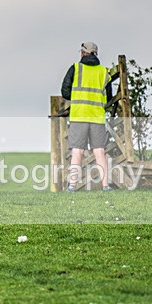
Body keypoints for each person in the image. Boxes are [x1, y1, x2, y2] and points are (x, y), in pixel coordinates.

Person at [60, 41, 114, 192]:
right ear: (95, 53)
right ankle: (105, 186)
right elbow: (108, 97)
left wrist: (78, 99)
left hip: (79, 116)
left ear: (83, 53)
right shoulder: (103, 72)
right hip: (97, 117)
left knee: (77, 151)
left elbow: (65, 91)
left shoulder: (75, 68)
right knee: (99, 152)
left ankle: (72, 186)